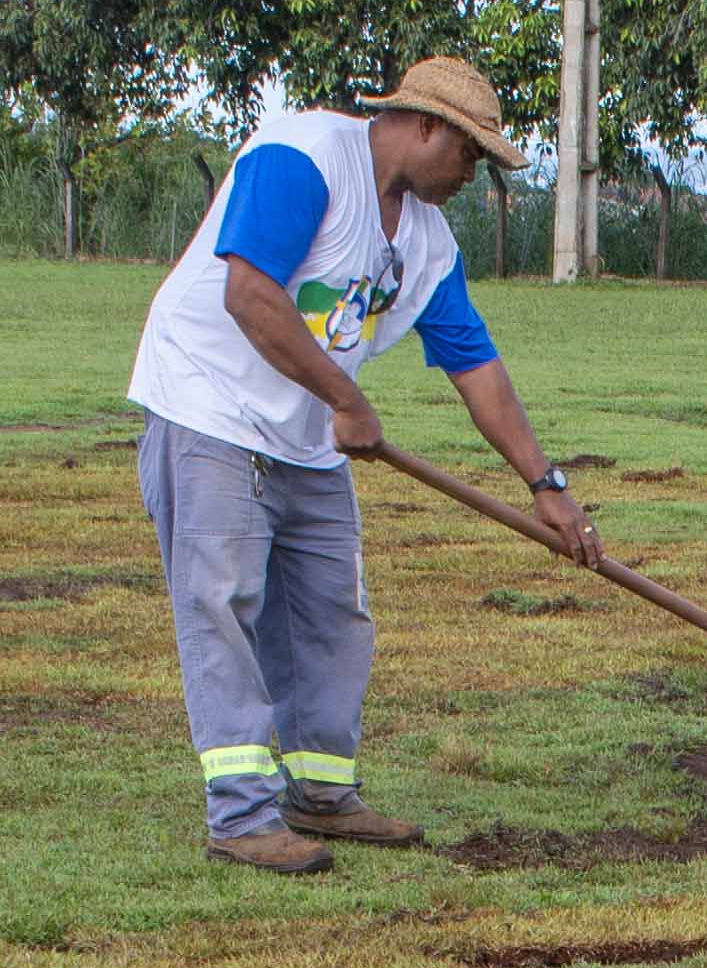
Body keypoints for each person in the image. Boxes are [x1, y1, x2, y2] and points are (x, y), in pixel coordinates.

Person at [120, 54, 594, 875]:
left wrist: (544, 485)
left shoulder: (426, 243)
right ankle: (241, 815)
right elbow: (250, 295)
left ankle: (321, 793)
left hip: (306, 435)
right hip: (207, 406)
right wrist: (347, 398)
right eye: (469, 154)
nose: (471, 175)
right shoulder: (302, 158)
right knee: (223, 601)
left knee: (331, 613)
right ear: (423, 126)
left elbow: (478, 369)